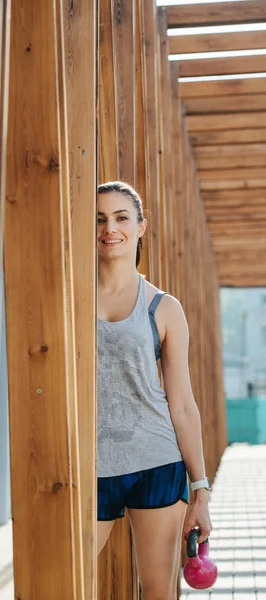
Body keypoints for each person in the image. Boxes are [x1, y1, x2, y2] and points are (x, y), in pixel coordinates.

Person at [97, 181, 212, 600]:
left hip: (156, 464)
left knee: (159, 591)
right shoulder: (69, 300)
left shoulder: (163, 307)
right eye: (99, 218)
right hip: (89, 469)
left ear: (141, 227)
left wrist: (200, 489)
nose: (110, 227)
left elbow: (181, 403)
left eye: (121, 217)